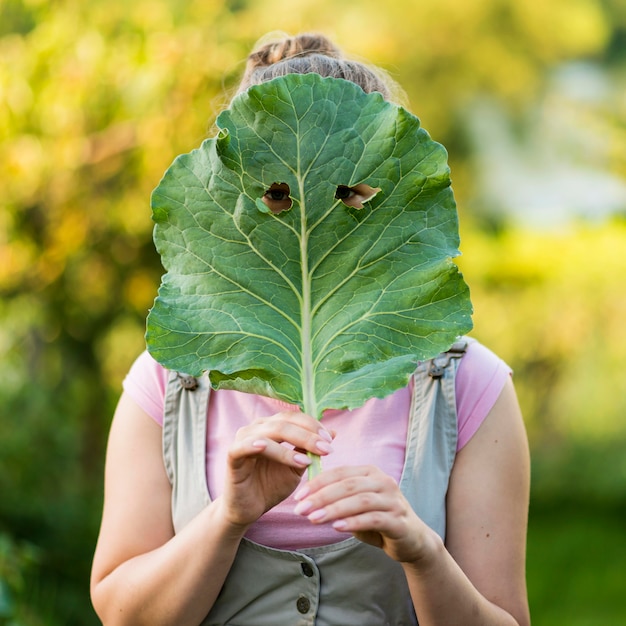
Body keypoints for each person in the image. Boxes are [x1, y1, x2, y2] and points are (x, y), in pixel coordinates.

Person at [90, 33, 531, 626]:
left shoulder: (467, 384)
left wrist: (423, 554)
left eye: (349, 195)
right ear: (231, 203)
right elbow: (122, 614)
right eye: (276, 195)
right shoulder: (168, 383)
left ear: (393, 200)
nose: (311, 225)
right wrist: (228, 517)